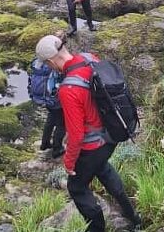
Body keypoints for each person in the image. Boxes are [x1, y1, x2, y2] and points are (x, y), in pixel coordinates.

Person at [35, 35, 141, 232]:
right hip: (113, 133)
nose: (49, 68)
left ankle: (97, 228)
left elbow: (76, 135)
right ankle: (133, 216)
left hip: (94, 145)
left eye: (47, 65)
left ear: (50, 61)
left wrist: (68, 163)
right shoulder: (89, 58)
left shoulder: (68, 89)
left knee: (76, 187)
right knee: (102, 168)